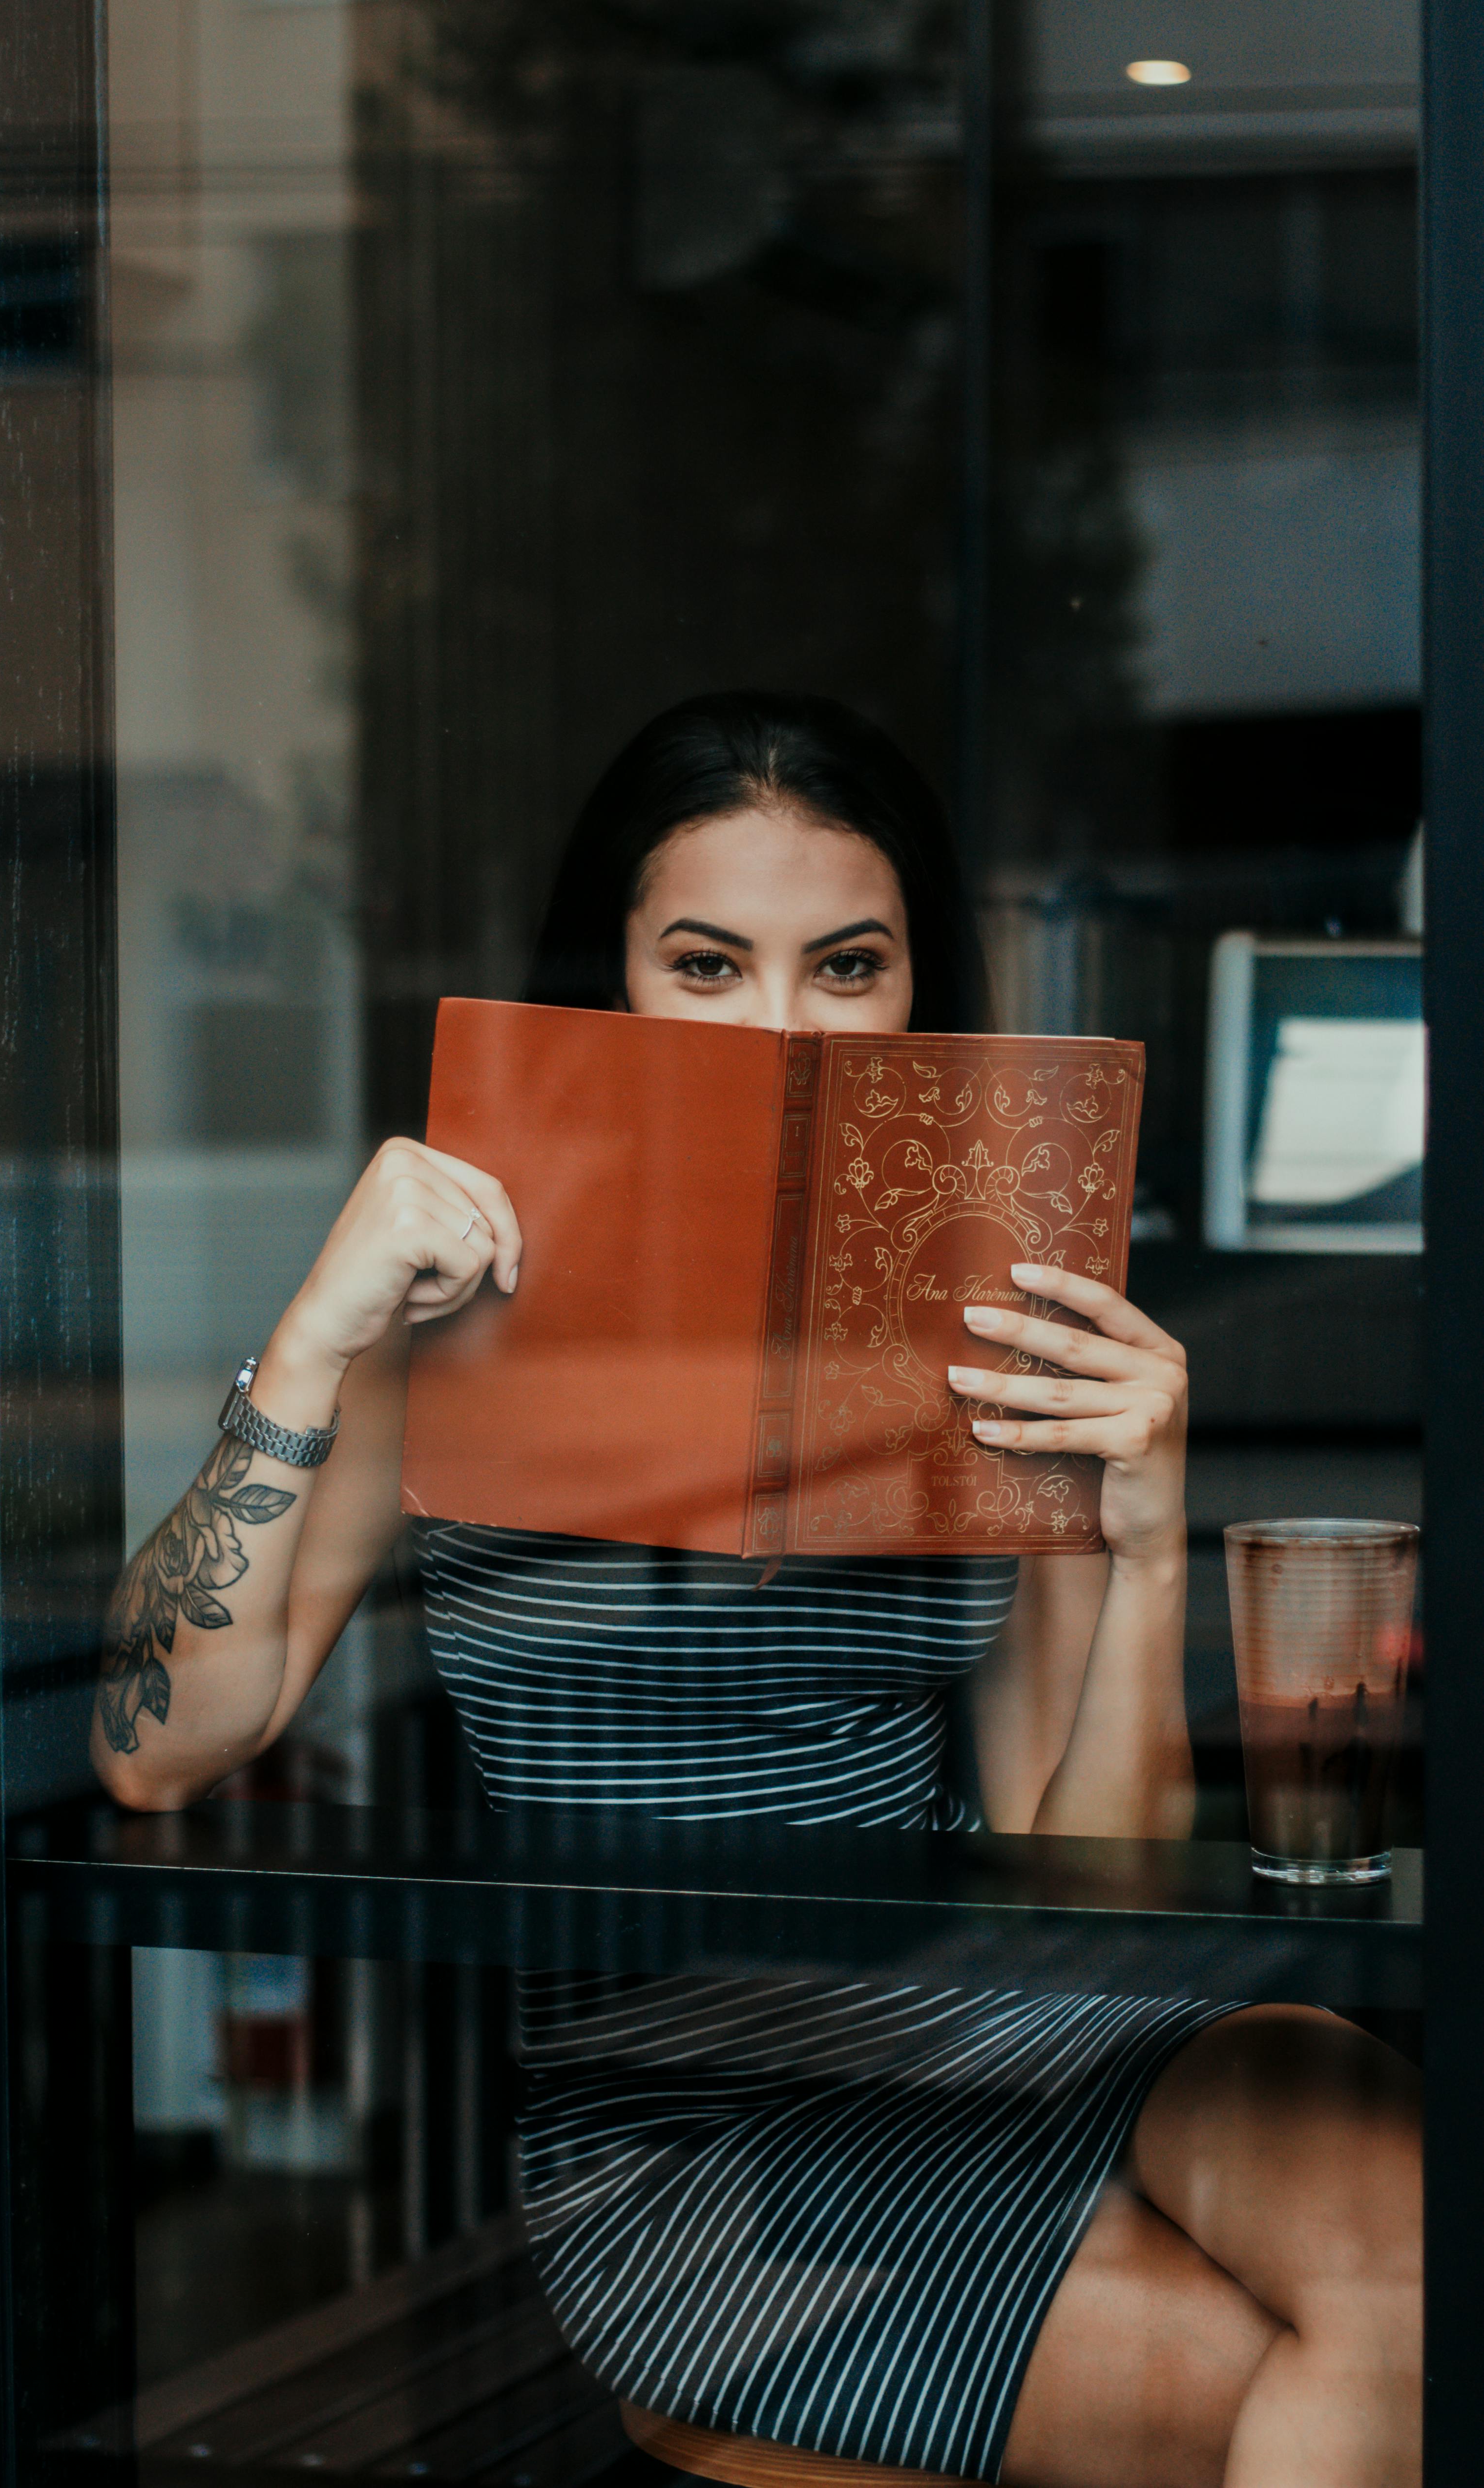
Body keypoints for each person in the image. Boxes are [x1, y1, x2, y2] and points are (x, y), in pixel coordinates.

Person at [94, 694, 1420, 2488]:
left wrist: (1141, 1531)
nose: (778, 1030)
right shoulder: (446, 1317)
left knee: (1424, 2283)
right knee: (1276, 2389)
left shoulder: (985, 1293)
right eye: (706, 964)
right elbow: (157, 1751)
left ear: (911, 995)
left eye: (846, 966)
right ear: (613, 981)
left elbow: (1091, 1877)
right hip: (707, 2140)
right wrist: (317, 1341)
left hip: (1035, 2018)